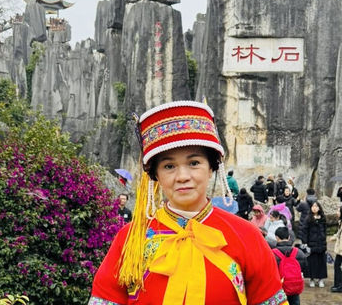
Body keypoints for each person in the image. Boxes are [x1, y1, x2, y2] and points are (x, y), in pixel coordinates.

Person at [89, 100, 288, 305]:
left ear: (211, 167)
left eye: (194, 163)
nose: (182, 176)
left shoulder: (247, 236)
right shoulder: (130, 240)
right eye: (169, 166)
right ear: (155, 175)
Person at [273, 226, 307, 305]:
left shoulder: (272, 253)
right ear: (288, 237)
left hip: (279, 288)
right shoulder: (298, 252)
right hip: (294, 286)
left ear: (276, 237)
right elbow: (304, 267)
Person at [305, 201, 327, 288]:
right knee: (312, 262)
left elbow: (325, 231)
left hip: (321, 243)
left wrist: (324, 241)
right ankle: (312, 279)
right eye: (313, 206)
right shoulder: (308, 218)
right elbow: (305, 232)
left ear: (319, 208)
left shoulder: (323, 218)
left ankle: (321, 279)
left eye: (316, 206)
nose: (314, 208)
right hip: (311, 243)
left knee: (321, 261)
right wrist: (305, 243)